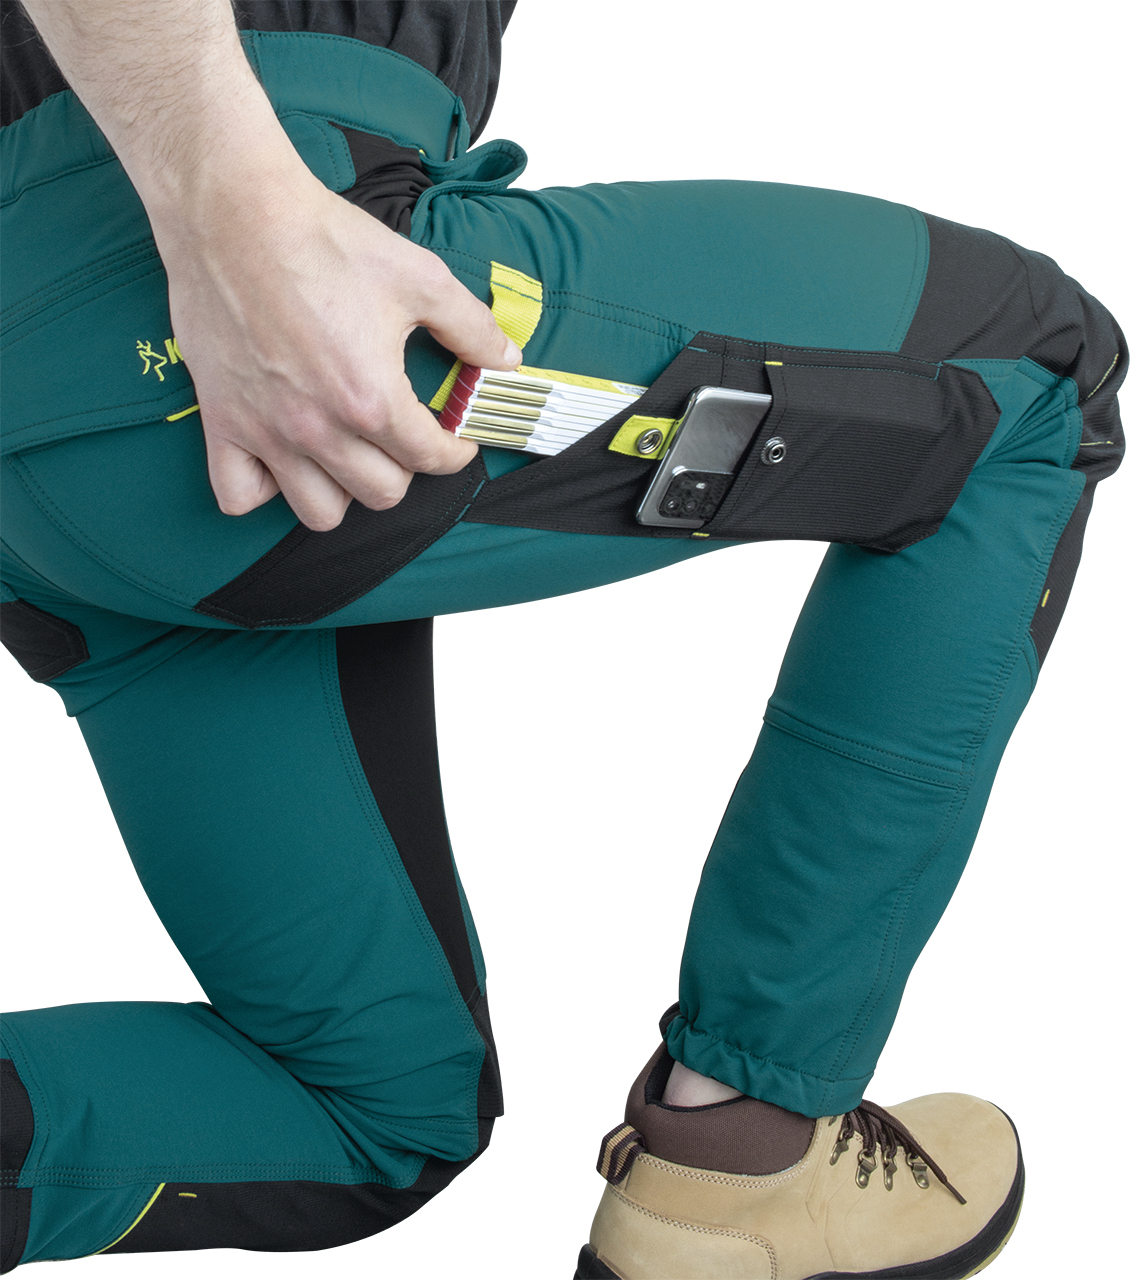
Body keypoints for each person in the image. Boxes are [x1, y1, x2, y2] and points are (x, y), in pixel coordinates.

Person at [0, 2, 1127, 1277]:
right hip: (222, 292)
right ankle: (744, 1148)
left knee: (374, 1109)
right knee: (1029, 385)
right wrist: (240, 216)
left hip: (74, 464)